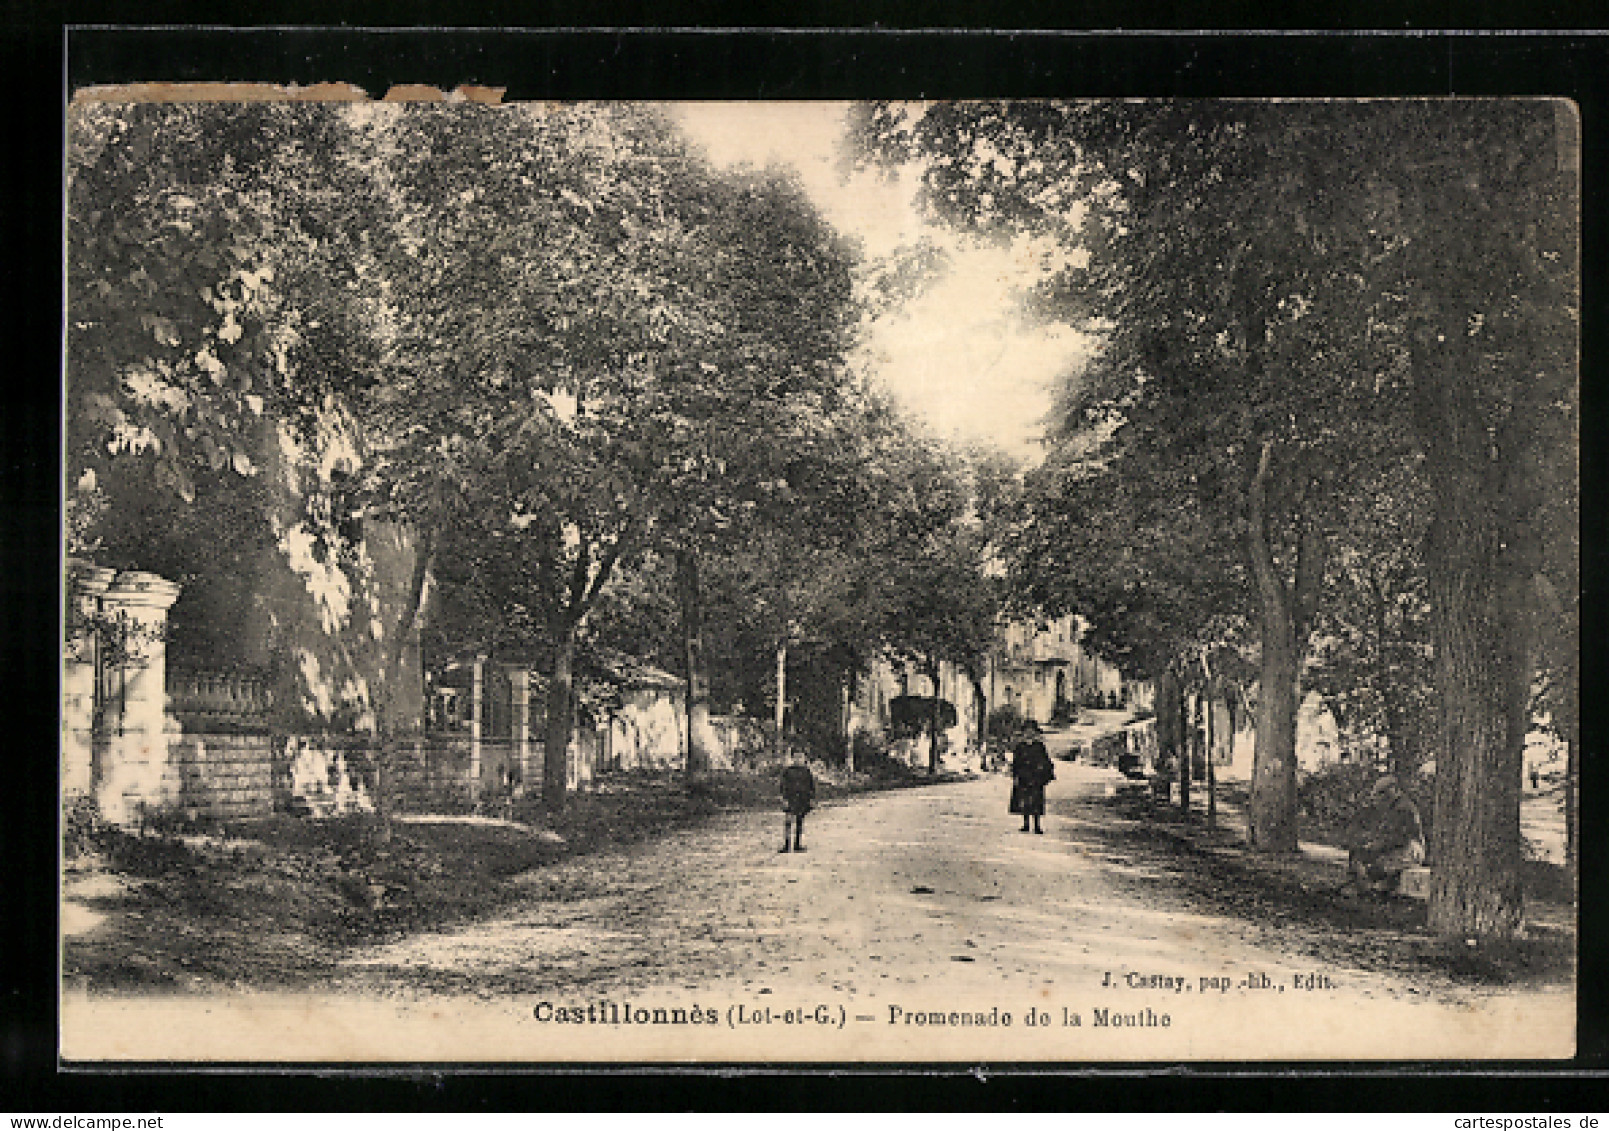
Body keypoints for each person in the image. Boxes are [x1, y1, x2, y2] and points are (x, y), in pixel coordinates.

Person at [1347, 774, 1426, 894]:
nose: (1380, 798)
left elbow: (1398, 839)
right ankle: (1368, 889)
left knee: (1374, 866)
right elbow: (1386, 836)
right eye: (1379, 794)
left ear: (1393, 790)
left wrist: (1374, 847)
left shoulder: (1403, 808)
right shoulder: (1393, 808)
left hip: (1410, 850)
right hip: (1400, 848)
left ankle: (1371, 890)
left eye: (1382, 793)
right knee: (1360, 856)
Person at [1010, 722, 1056, 834]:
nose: (1029, 734)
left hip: (1036, 777)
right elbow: (1016, 762)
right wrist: (1015, 775)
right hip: (1023, 777)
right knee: (1024, 800)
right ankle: (1025, 824)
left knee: (1036, 801)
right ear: (1023, 733)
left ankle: (1037, 825)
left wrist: (1045, 772)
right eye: (1026, 731)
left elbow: (1046, 761)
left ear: (1035, 733)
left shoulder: (1039, 746)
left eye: (1031, 731)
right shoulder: (1020, 747)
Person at [778, 756, 816, 853]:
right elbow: (783, 786)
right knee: (788, 821)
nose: (798, 760)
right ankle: (786, 845)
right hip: (790, 798)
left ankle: (797, 844)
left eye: (800, 757)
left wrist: (811, 799)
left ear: (803, 759)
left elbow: (811, 786)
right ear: (793, 758)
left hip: (802, 799)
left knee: (799, 821)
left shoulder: (806, 771)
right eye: (796, 757)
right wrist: (784, 798)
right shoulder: (788, 771)